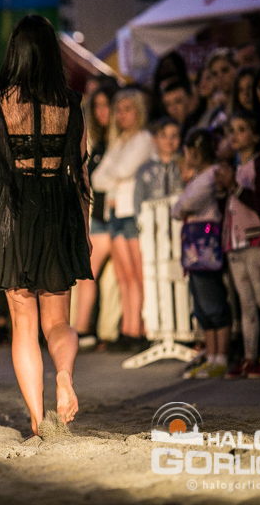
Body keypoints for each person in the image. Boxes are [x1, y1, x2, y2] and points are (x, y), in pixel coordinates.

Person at [0, 15, 92, 436]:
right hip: (59, 209)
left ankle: (38, 420)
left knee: (24, 324)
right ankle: (64, 376)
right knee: (58, 322)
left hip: (12, 212)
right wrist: (84, 231)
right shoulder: (71, 103)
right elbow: (81, 173)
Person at [214, 110, 260, 378]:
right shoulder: (235, 166)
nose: (235, 136)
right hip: (235, 241)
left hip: (255, 239)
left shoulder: (258, 165)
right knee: (245, 302)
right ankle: (250, 356)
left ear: (255, 135)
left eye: (242, 130)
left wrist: (234, 187)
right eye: (232, 130)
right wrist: (224, 189)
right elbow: (228, 206)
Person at [90, 88, 154, 352]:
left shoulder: (143, 139)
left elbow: (125, 169)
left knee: (138, 274)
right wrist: (115, 176)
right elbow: (97, 178)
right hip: (114, 212)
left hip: (132, 212)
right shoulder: (118, 142)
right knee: (124, 276)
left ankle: (143, 328)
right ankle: (129, 329)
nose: (122, 115)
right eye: (119, 110)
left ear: (139, 111)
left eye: (128, 109)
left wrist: (113, 176)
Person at [172, 129, 231, 379]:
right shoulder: (200, 176)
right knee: (202, 305)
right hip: (196, 247)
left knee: (213, 301)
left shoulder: (210, 176)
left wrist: (182, 206)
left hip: (206, 245)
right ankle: (211, 355)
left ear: (193, 152)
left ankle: (221, 357)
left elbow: (182, 206)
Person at [73, 84, 116, 347]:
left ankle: (91, 330)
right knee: (87, 272)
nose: (102, 111)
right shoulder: (97, 143)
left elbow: (98, 179)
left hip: (116, 218)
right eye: (97, 106)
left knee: (101, 275)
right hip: (98, 216)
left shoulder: (119, 142)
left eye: (106, 105)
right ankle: (84, 329)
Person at [133, 117, 184, 216]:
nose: (169, 140)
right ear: (154, 139)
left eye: (174, 136)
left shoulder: (185, 166)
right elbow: (138, 202)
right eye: (164, 136)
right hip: (153, 221)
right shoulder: (144, 170)